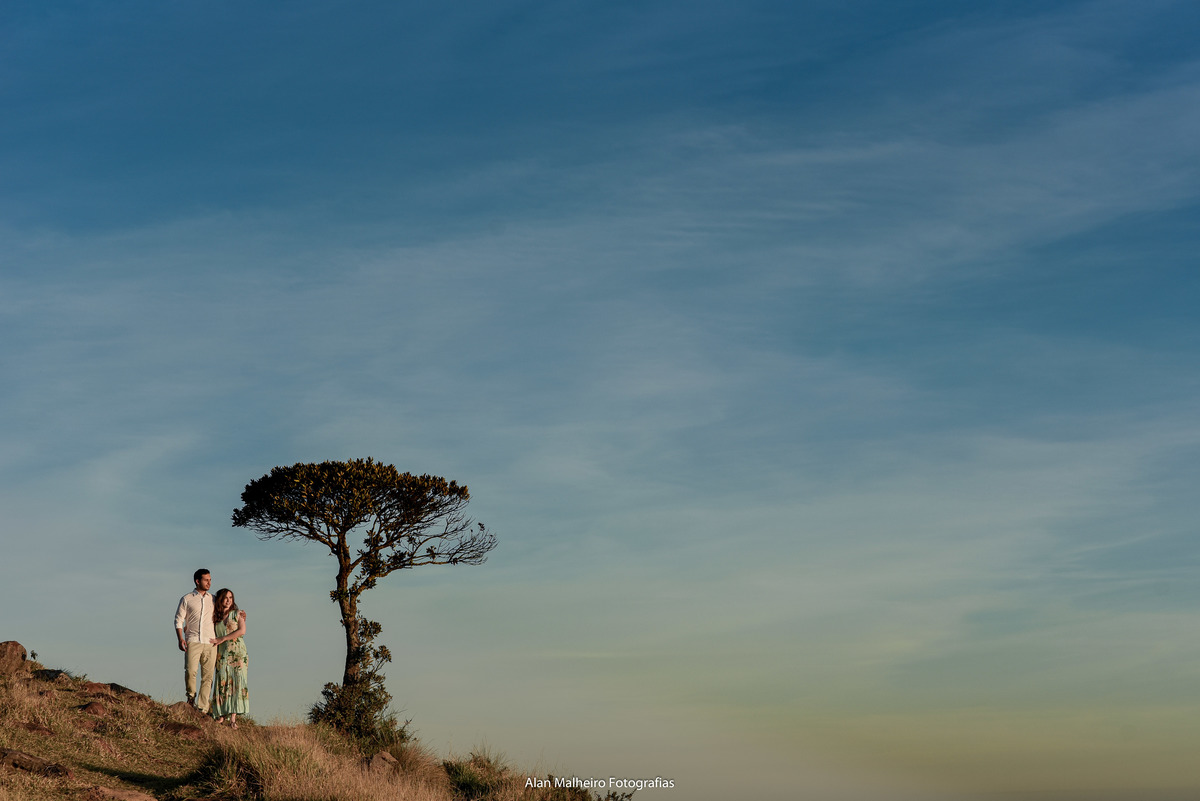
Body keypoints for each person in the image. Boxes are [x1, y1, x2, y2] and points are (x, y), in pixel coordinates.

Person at [174, 568, 217, 712]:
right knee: (191, 671)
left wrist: (240, 614)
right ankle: (191, 697)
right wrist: (180, 638)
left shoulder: (214, 599)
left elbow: (226, 609)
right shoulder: (187, 599)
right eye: (206, 580)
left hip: (211, 642)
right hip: (193, 640)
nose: (209, 583)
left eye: (210, 580)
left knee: (208, 676)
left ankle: (203, 707)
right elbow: (178, 620)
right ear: (198, 581)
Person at [210, 587, 249, 727]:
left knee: (237, 682)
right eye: (225, 598)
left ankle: (233, 718)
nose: (228, 600)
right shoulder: (215, 617)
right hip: (222, 653)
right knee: (222, 680)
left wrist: (223, 638)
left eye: (231, 598)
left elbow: (242, 631)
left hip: (238, 652)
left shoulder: (237, 614)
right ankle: (221, 714)